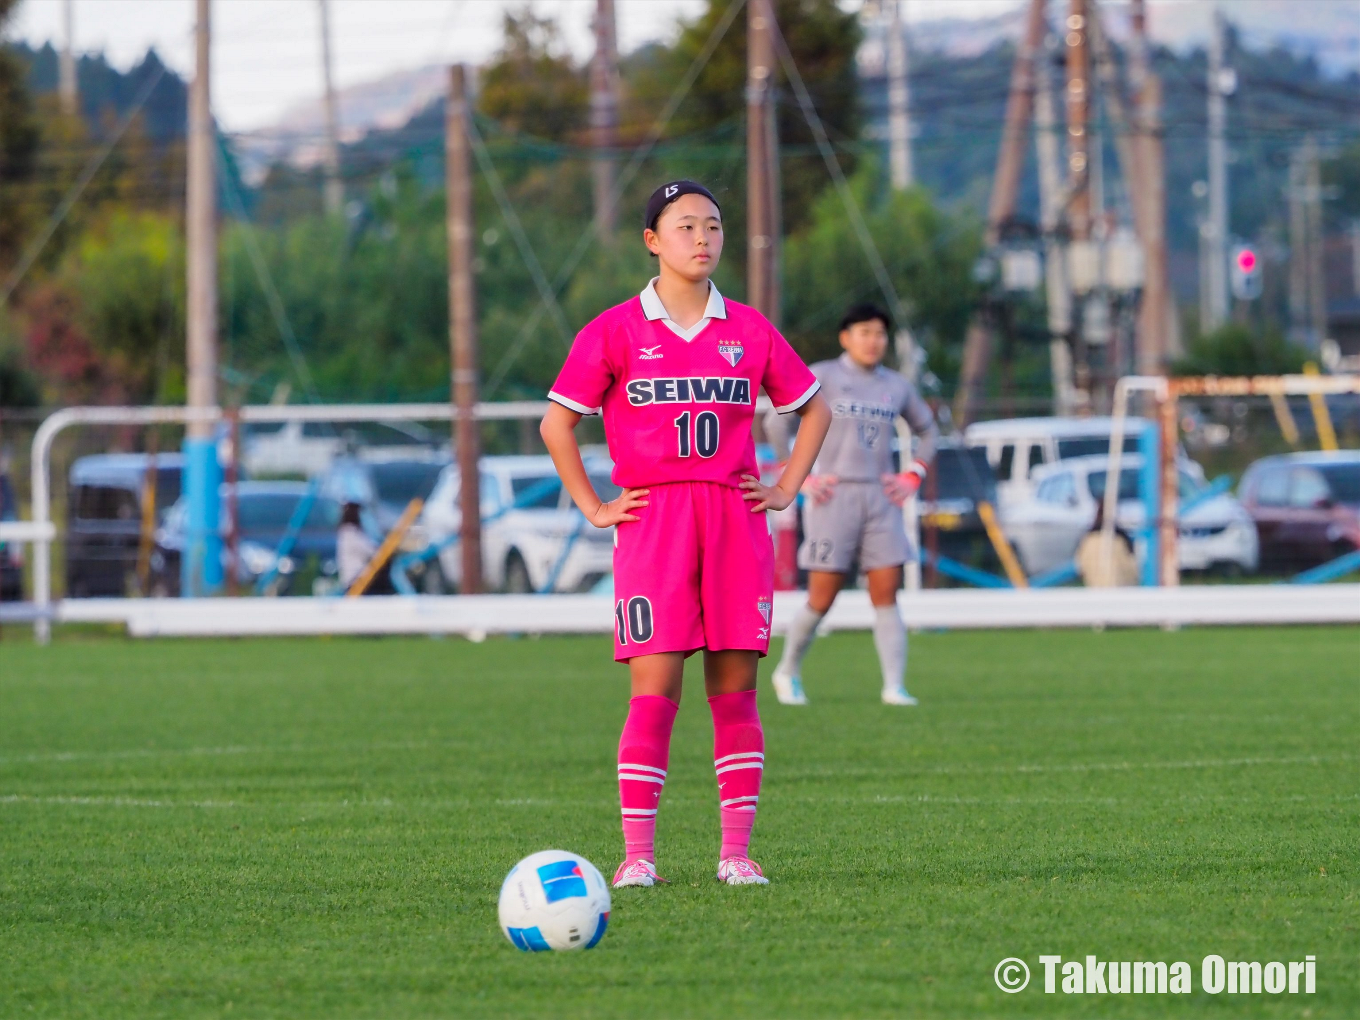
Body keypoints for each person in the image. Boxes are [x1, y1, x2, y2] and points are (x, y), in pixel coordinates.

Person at [540, 180, 831, 888]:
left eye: (713, 226)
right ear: (652, 240)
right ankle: (638, 856)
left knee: (735, 692)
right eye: (685, 226)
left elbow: (815, 409)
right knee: (655, 690)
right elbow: (556, 424)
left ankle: (736, 853)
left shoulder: (749, 329)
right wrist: (594, 507)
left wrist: (785, 488)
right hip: (655, 521)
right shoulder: (614, 329)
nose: (702, 238)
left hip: (734, 518)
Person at [766, 303, 938, 707]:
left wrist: (912, 474)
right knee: (823, 595)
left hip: (880, 497)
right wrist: (799, 475)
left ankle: (894, 686)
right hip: (833, 496)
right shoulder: (822, 376)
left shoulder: (896, 385)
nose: (873, 341)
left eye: (879, 334)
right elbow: (777, 421)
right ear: (846, 337)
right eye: (864, 332)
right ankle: (787, 670)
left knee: (886, 591)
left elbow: (929, 432)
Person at [1075, 498, 1139, 587]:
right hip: (1119, 589)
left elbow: (1080, 567)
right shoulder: (1120, 540)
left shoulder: (1087, 540)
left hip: (1096, 589)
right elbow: (1133, 570)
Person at [336, 501, 377, 590]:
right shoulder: (350, 532)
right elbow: (371, 551)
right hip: (355, 581)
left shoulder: (348, 532)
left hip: (357, 578)